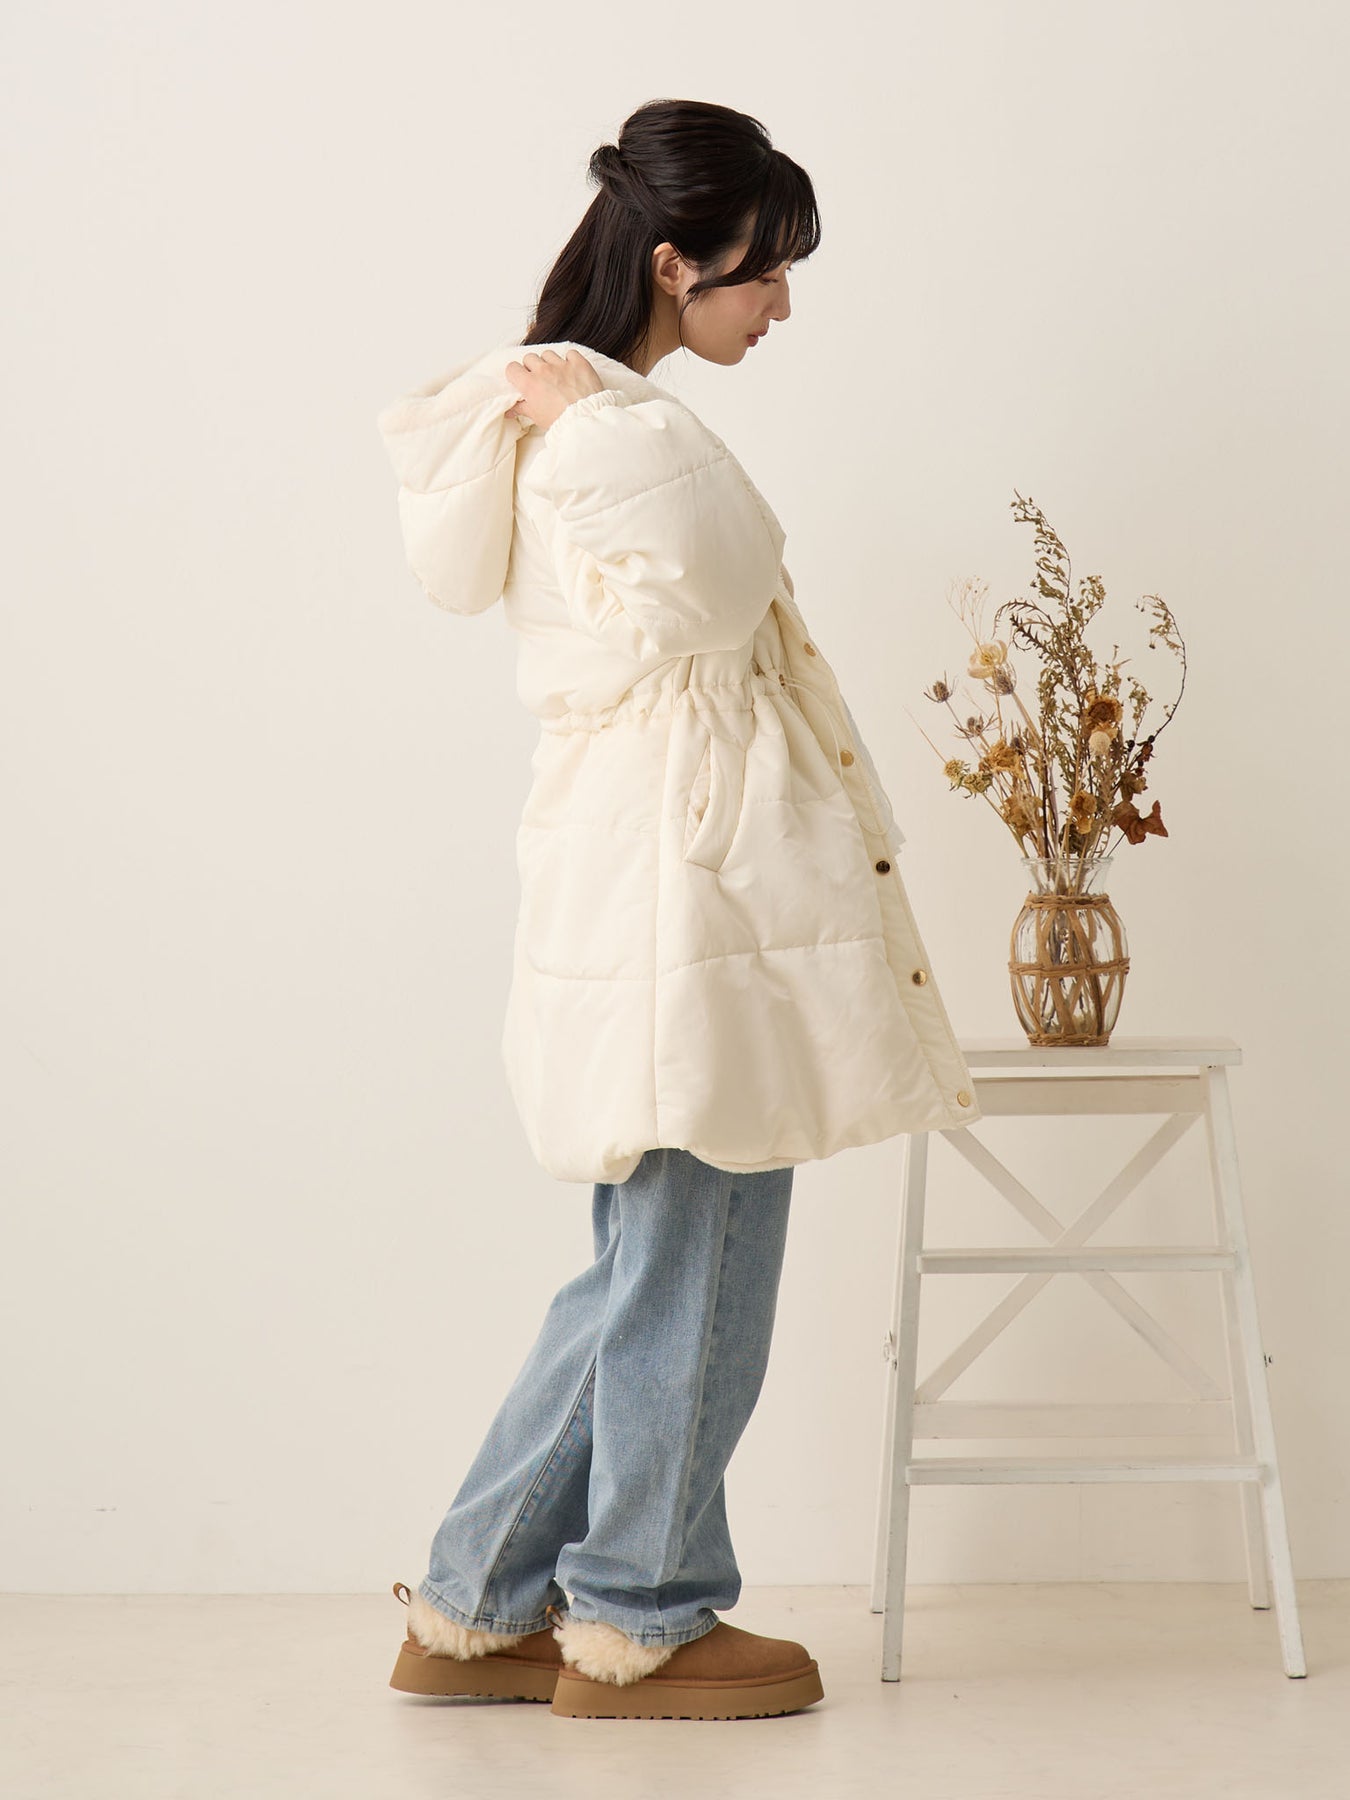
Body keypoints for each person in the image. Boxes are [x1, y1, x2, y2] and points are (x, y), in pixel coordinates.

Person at [376, 98, 981, 1722]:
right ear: (671, 263)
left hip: (649, 864)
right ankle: (639, 1612)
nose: (780, 305)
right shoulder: (607, 433)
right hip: (686, 880)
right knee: (696, 1253)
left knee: (648, 1260)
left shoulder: (578, 418)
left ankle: (478, 1604)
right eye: (761, 272)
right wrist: (630, 425)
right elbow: (718, 591)